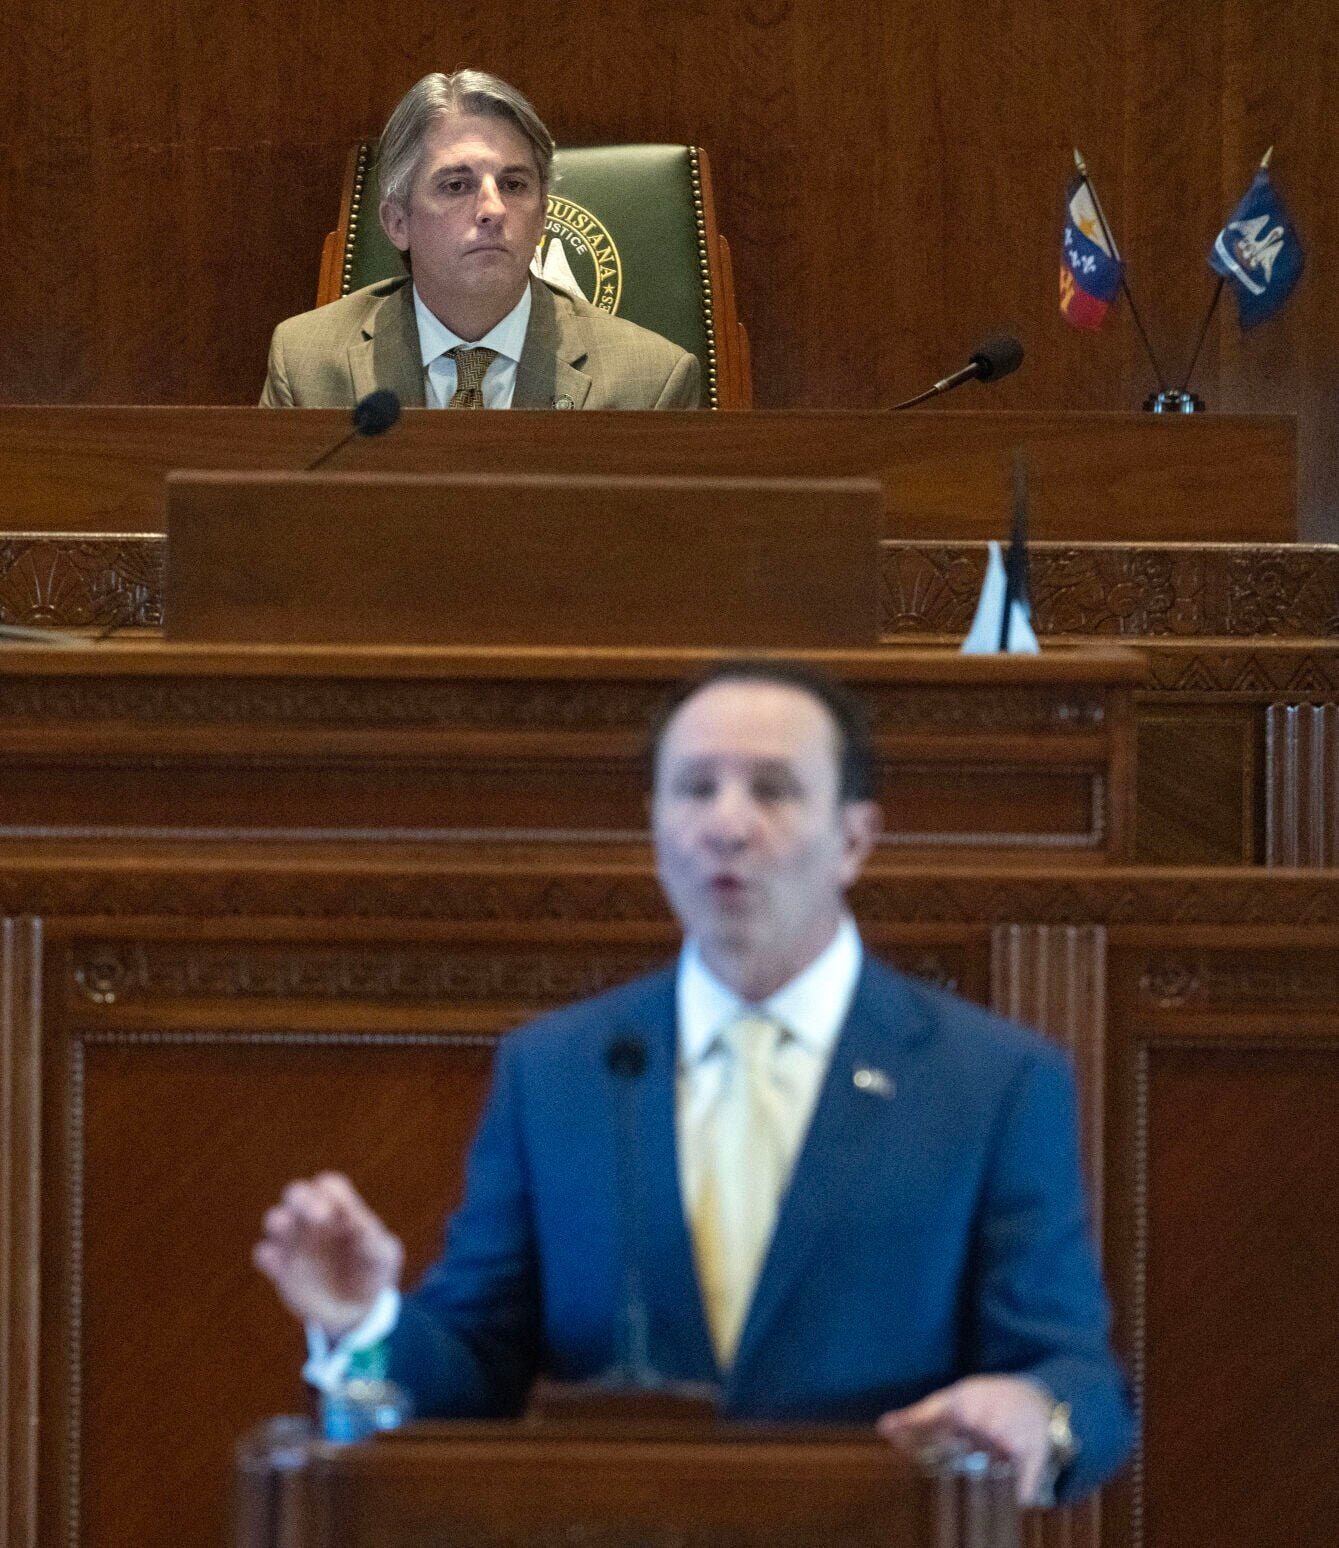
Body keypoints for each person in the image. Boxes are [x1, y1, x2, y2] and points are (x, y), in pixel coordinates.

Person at [255, 660, 1133, 1504]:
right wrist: (363, 1322)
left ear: (854, 839)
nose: (726, 823)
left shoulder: (990, 1081)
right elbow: (474, 1369)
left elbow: (1079, 1381)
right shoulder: (555, 1072)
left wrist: (1037, 1413)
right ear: (654, 825)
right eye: (694, 788)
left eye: (773, 790)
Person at [259, 70, 700, 410]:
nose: (493, 208)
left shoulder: (650, 382)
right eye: (456, 185)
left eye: (513, 185)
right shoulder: (306, 366)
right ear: (397, 223)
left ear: (543, 215)